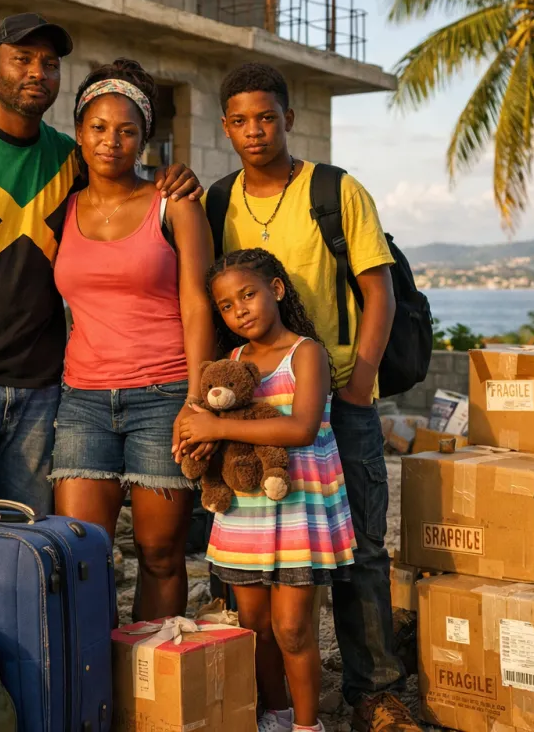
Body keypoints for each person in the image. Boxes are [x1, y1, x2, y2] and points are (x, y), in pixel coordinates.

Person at [0, 13, 202, 514]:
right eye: (22, 58)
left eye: (49, 64)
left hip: (43, 395)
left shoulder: (71, 158)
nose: (37, 72)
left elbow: (124, 184)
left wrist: (175, 177)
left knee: (25, 554)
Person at [211, 63, 419, 731]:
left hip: (337, 403)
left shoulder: (333, 190)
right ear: (225, 128)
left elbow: (377, 289)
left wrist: (359, 378)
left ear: (289, 119)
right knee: (253, 549)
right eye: (240, 121)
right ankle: (271, 697)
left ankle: (373, 691)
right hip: (256, 406)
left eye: (266, 117)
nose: (254, 131)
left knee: (361, 545)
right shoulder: (220, 201)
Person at [50, 59, 215, 621]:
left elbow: (197, 303)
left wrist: (196, 400)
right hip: (82, 402)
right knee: (79, 555)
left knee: (161, 554)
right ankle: (94, 687)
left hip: (163, 396)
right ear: (79, 133)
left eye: (126, 130)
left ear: (145, 139)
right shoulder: (62, 207)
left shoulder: (177, 204)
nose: (111, 141)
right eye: (98, 128)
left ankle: (151, 688)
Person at [176, 248, 356, 732]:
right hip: (243, 517)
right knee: (254, 627)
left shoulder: (307, 354)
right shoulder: (229, 364)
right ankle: (275, 716)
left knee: (293, 629)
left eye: (249, 295)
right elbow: (215, 434)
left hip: (299, 511)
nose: (240, 310)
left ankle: (306, 725)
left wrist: (214, 426)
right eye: (227, 306)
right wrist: (201, 448)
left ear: (276, 289)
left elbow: (300, 429)